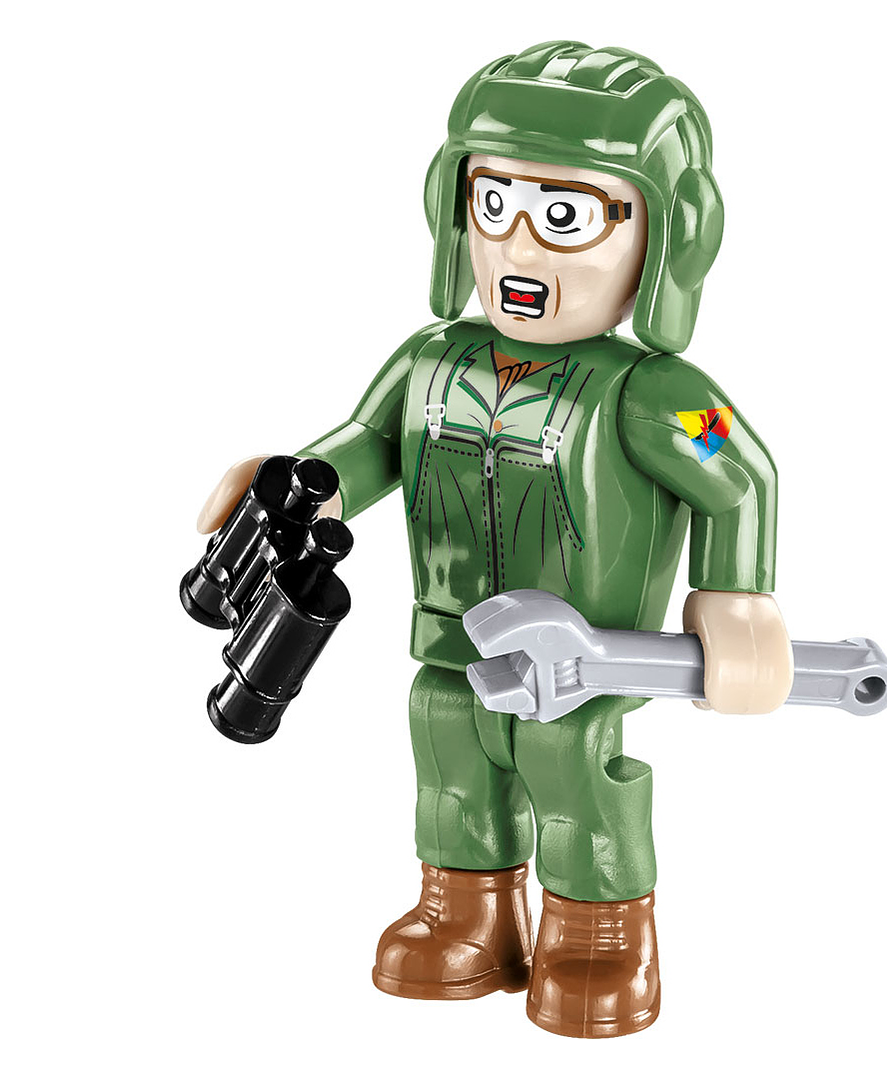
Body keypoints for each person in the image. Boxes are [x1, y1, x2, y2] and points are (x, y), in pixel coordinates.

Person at [195, 41, 793, 1038]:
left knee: (567, 765)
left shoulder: (654, 393)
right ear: (452, 206)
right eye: (494, 203)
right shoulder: (429, 360)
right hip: (450, 640)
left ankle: (600, 929)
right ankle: (463, 914)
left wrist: (734, 597)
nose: (521, 249)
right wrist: (298, 484)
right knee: (446, 750)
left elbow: (741, 473)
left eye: (566, 216)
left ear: (664, 235)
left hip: (587, 657)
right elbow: (368, 441)